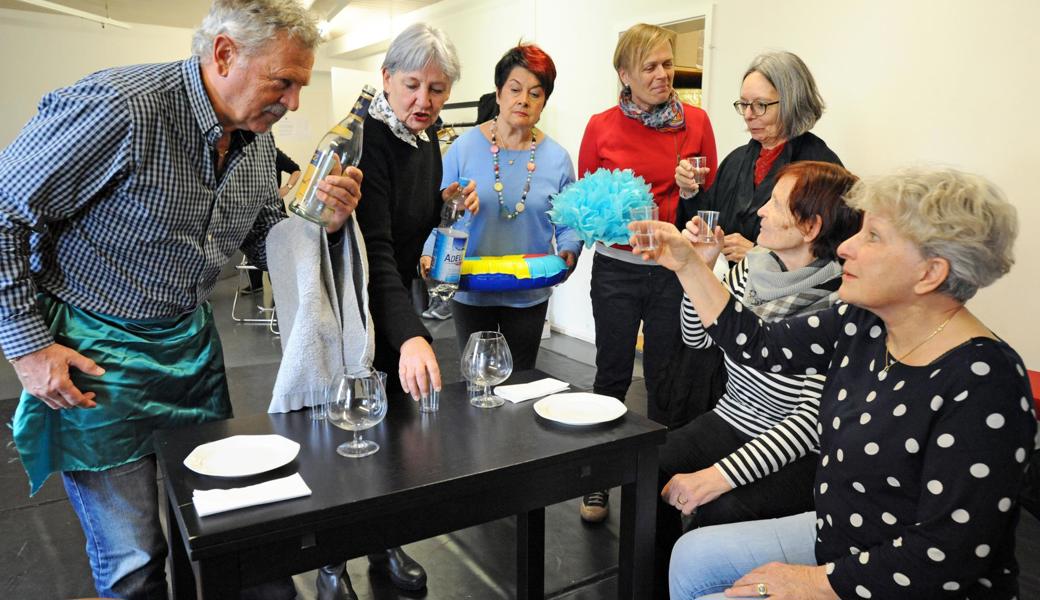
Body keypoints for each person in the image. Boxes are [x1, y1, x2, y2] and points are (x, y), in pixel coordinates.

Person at [0, 1, 361, 598]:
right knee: (134, 556)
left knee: (220, 528)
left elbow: (268, 236)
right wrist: (30, 348)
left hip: (189, 352)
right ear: (224, 54)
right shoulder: (120, 108)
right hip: (97, 361)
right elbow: (5, 209)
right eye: (285, 82)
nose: (295, 102)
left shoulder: (255, 143)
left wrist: (323, 219)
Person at [637, 168, 1038, 599]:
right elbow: (759, 343)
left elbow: (949, 553)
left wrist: (816, 582)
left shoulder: (985, 382)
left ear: (930, 272)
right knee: (692, 555)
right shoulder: (863, 322)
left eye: (873, 238)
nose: (845, 246)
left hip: (903, 579)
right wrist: (688, 263)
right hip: (839, 534)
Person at [653, 161, 861, 597]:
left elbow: (808, 424)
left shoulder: (839, 301)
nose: (759, 211)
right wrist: (704, 274)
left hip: (797, 450)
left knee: (719, 511)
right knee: (648, 466)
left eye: (775, 204)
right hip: (734, 416)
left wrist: (717, 476)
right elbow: (699, 340)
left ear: (810, 226)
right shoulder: (756, 266)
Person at [347, 22, 476, 598]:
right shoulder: (366, 140)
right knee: (348, 442)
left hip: (391, 305)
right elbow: (372, 252)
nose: (424, 101)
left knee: (393, 439)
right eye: (412, 85)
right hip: (354, 314)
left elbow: (410, 229)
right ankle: (331, 564)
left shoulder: (423, 138)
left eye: (438, 89)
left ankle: (384, 543)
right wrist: (412, 336)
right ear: (386, 80)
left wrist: (443, 208)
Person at [577, 22, 718, 523]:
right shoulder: (601, 126)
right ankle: (598, 481)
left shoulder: (696, 122)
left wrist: (692, 189)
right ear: (625, 75)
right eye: (650, 67)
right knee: (611, 373)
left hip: (669, 270)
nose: (663, 75)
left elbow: (709, 199)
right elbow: (585, 201)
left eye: (667, 64)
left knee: (666, 380)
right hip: (616, 269)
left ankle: (657, 479)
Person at [420, 43, 580, 370]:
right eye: (515, 89)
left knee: (520, 382)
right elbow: (437, 215)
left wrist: (569, 248)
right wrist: (428, 251)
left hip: (529, 291)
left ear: (544, 101)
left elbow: (568, 221)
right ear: (498, 93)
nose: (524, 100)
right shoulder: (462, 150)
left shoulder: (558, 159)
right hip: (471, 287)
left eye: (535, 94)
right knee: (476, 379)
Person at [677, 51, 841, 264]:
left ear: (792, 102)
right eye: (744, 104)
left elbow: (831, 252)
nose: (748, 115)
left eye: (760, 105)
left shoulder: (820, 167)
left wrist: (758, 254)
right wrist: (690, 192)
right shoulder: (735, 161)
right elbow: (707, 223)